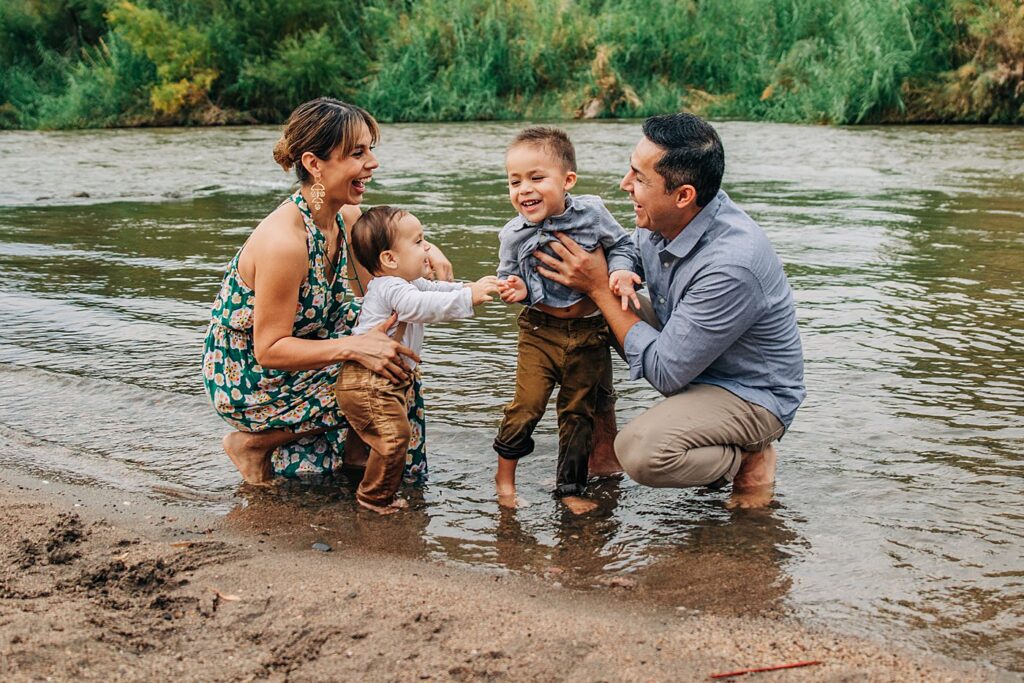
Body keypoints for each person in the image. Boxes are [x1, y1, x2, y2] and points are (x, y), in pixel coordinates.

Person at [532, 113, 805, 509]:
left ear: (683, 195)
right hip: (694, 351)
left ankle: (746, 455)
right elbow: (624, 258)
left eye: (639, 179)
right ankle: (600, 454)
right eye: (630, 171)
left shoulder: (732, 264)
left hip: (752, 393)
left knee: (643, 453)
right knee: (586, 304)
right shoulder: (665, 216)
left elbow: (666, 373)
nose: (625, 185)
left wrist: (598, 286)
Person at [202, 98, 454, 485]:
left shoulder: (345, 216)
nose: (372, 163)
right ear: (313, 164)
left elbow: (385, 288)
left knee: (394, 353)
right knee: (384, 367)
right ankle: (255, 444)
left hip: (311, 345)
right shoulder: (285, 242)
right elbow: (268, 349)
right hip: (252, 378)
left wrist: (426, 249)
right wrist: (355, 347)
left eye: (371, 149)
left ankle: (358, 461)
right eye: (357, 153)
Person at [493, 126, 639, 514]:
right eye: (514, 181)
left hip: (590, 332)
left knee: (578, 414)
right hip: (540, 331)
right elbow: (510, 276)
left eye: (536, 178)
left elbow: (622, 244)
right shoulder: (512, 234)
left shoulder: (591, 213)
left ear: (567, 180)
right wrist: (517, 289)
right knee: (527, 407)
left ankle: (569, 488)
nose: (524, 189)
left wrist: (621, 271)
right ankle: (504, 480)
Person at [338, 206, 500, 514]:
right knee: (393, 438)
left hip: (380, 380)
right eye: (418, 242)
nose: (427, 248)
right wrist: (469, 298)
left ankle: (355, 473)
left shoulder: (405, 282)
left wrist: (470, 287)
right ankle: (374, 496)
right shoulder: (391, 287)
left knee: (370, 439)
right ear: (389, 259)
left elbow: (436, 290)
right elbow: (420, 306)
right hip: (369, 382)